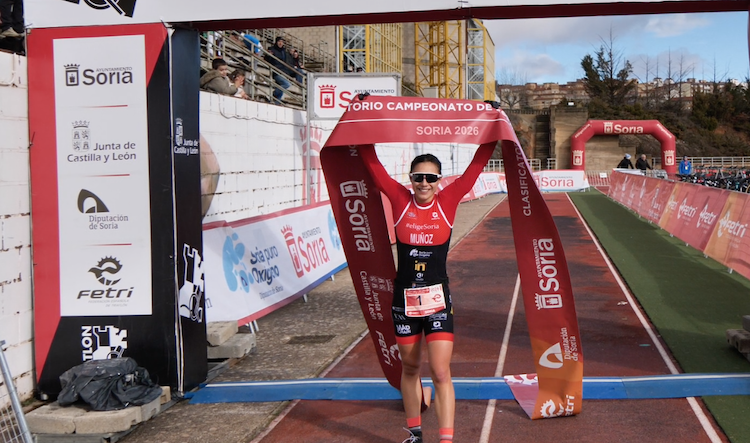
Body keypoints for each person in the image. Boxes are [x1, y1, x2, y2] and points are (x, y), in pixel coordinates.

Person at [359, 145, 494, 443]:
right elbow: (374, 167)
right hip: (404, 302)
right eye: (418, 177)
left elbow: (474, 169)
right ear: (410, 179)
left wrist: (494, 134)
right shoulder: (399, 199)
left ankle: (446, 439)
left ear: (439, 181)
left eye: (430, 178)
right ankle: (415, 434)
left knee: (440, 371)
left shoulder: (448, 200)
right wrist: (360, 131)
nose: (424, 183)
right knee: (409, 368)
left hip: (437, 301)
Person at [264, 36, 293, 104]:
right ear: (276, 42)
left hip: (283, 71)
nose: (280, 43)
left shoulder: (284, 51)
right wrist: (268, 55)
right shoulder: (272, 49)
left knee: (280, 88)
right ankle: (272, 95)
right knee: (287, 84)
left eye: (282, 42)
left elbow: (286, 62)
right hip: (276, 71)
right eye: (279, 41)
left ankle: (276, 102)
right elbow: (267, 59)